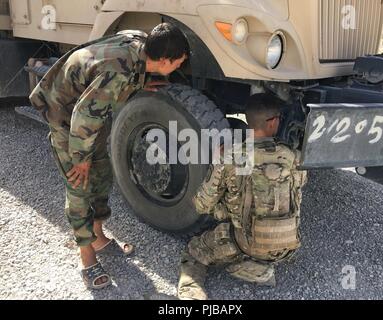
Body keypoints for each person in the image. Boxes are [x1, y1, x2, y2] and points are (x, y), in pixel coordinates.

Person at [29, 23, 189, 290]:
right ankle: (86, 258)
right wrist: (80, 158)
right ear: (163, 60)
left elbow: (122, 71)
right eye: (177, 64)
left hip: (91, 112)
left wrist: (139, 83)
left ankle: (97, 236)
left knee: (102, 172)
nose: (178, 70)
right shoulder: (117, 74)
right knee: (79, 184)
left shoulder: (141, 41)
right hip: (66, 113)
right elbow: (83, 115)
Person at [177, 93, 308, 300]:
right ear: (273, 122)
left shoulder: (231, 156)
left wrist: (217, 163)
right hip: (288, 244)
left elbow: (202, 204)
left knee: (193, 252)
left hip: (245, 242)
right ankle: (262, 265)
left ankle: (191, 296)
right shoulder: (293, 157)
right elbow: (297, 193)